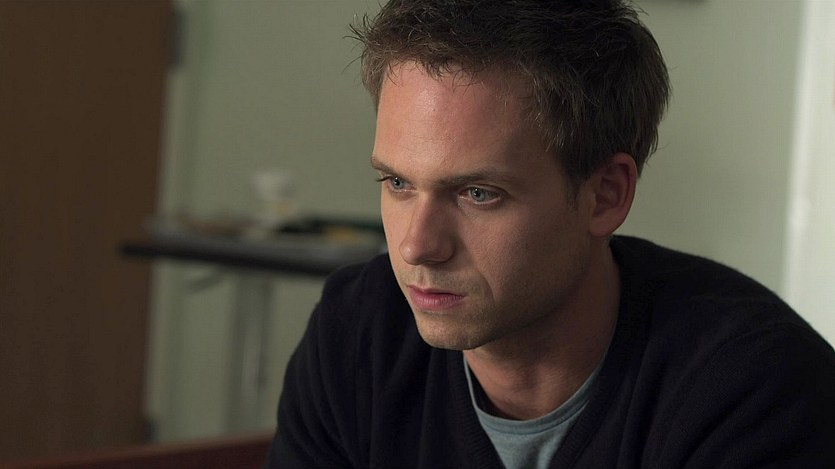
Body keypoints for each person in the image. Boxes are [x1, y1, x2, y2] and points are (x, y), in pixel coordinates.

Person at [265, 1, 835, 467]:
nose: (417, 246)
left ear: (605, 194)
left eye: (478, 193)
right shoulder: (358, 334)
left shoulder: (756, 390)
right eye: (398, 183)